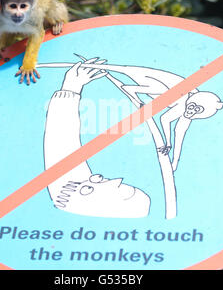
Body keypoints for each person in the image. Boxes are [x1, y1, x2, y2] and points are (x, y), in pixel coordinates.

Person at [43, 60, 150, 218]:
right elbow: (62, 143)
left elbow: (60, 144)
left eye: (121, 190)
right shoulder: (72, 190)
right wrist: (71, 88)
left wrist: (71, 88)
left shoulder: (69, 192)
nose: (99, 178)